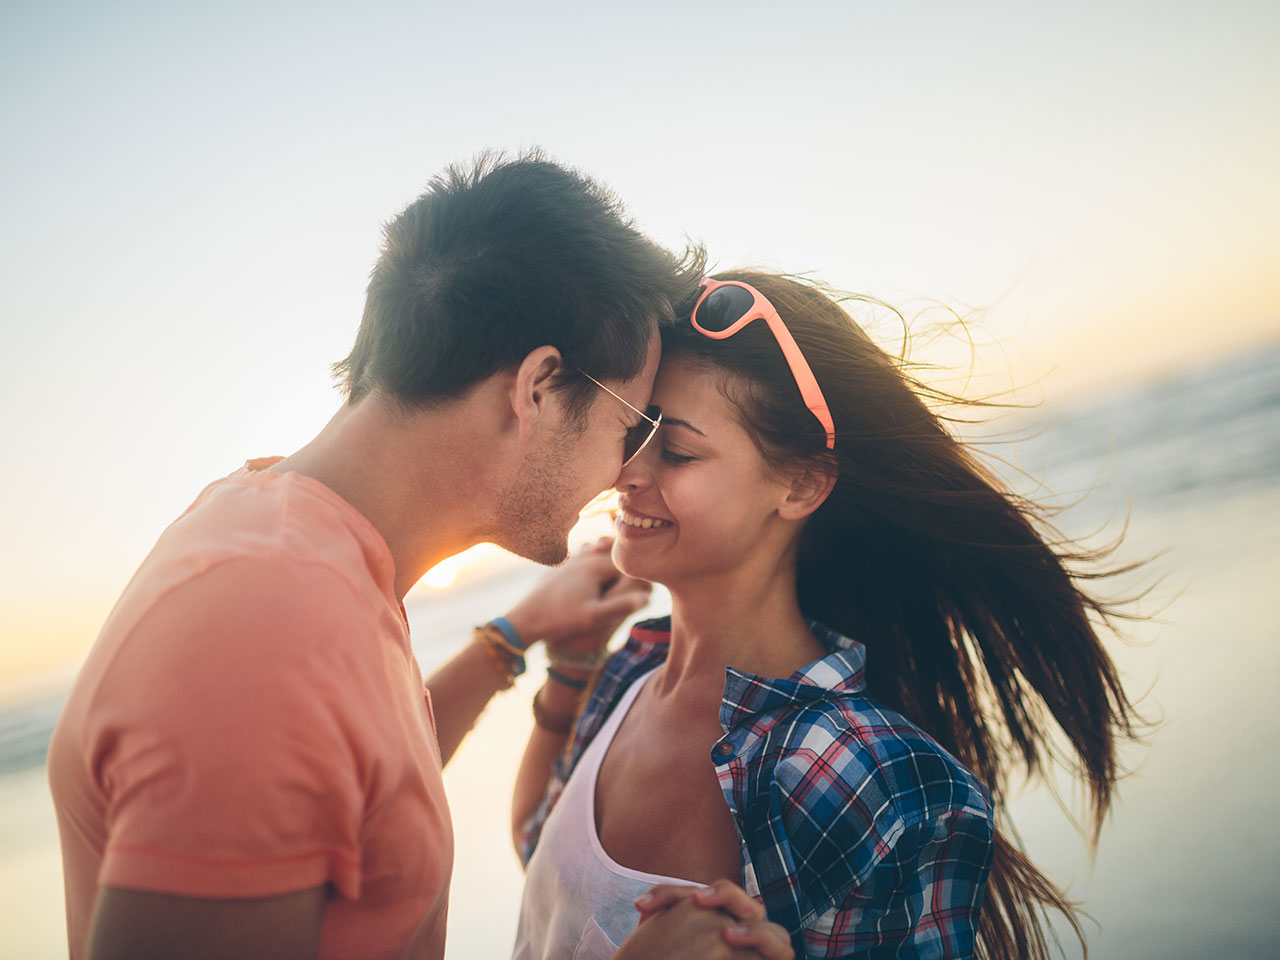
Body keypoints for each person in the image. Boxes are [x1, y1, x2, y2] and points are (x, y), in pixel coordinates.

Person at [45, 153, 793, 960]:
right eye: (632, 424)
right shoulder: (267, 625)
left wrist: (514, 637)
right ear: (539, 387)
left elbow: (342, 791)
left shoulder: (285, 540)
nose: (624, 473)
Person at [510, 272, 1144, 959]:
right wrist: (570, 665)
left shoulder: (866, 775)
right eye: (634, 432)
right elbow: (544, 859)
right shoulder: (630, 668)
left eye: (679, 451)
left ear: (803, 484)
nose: (627, 471)